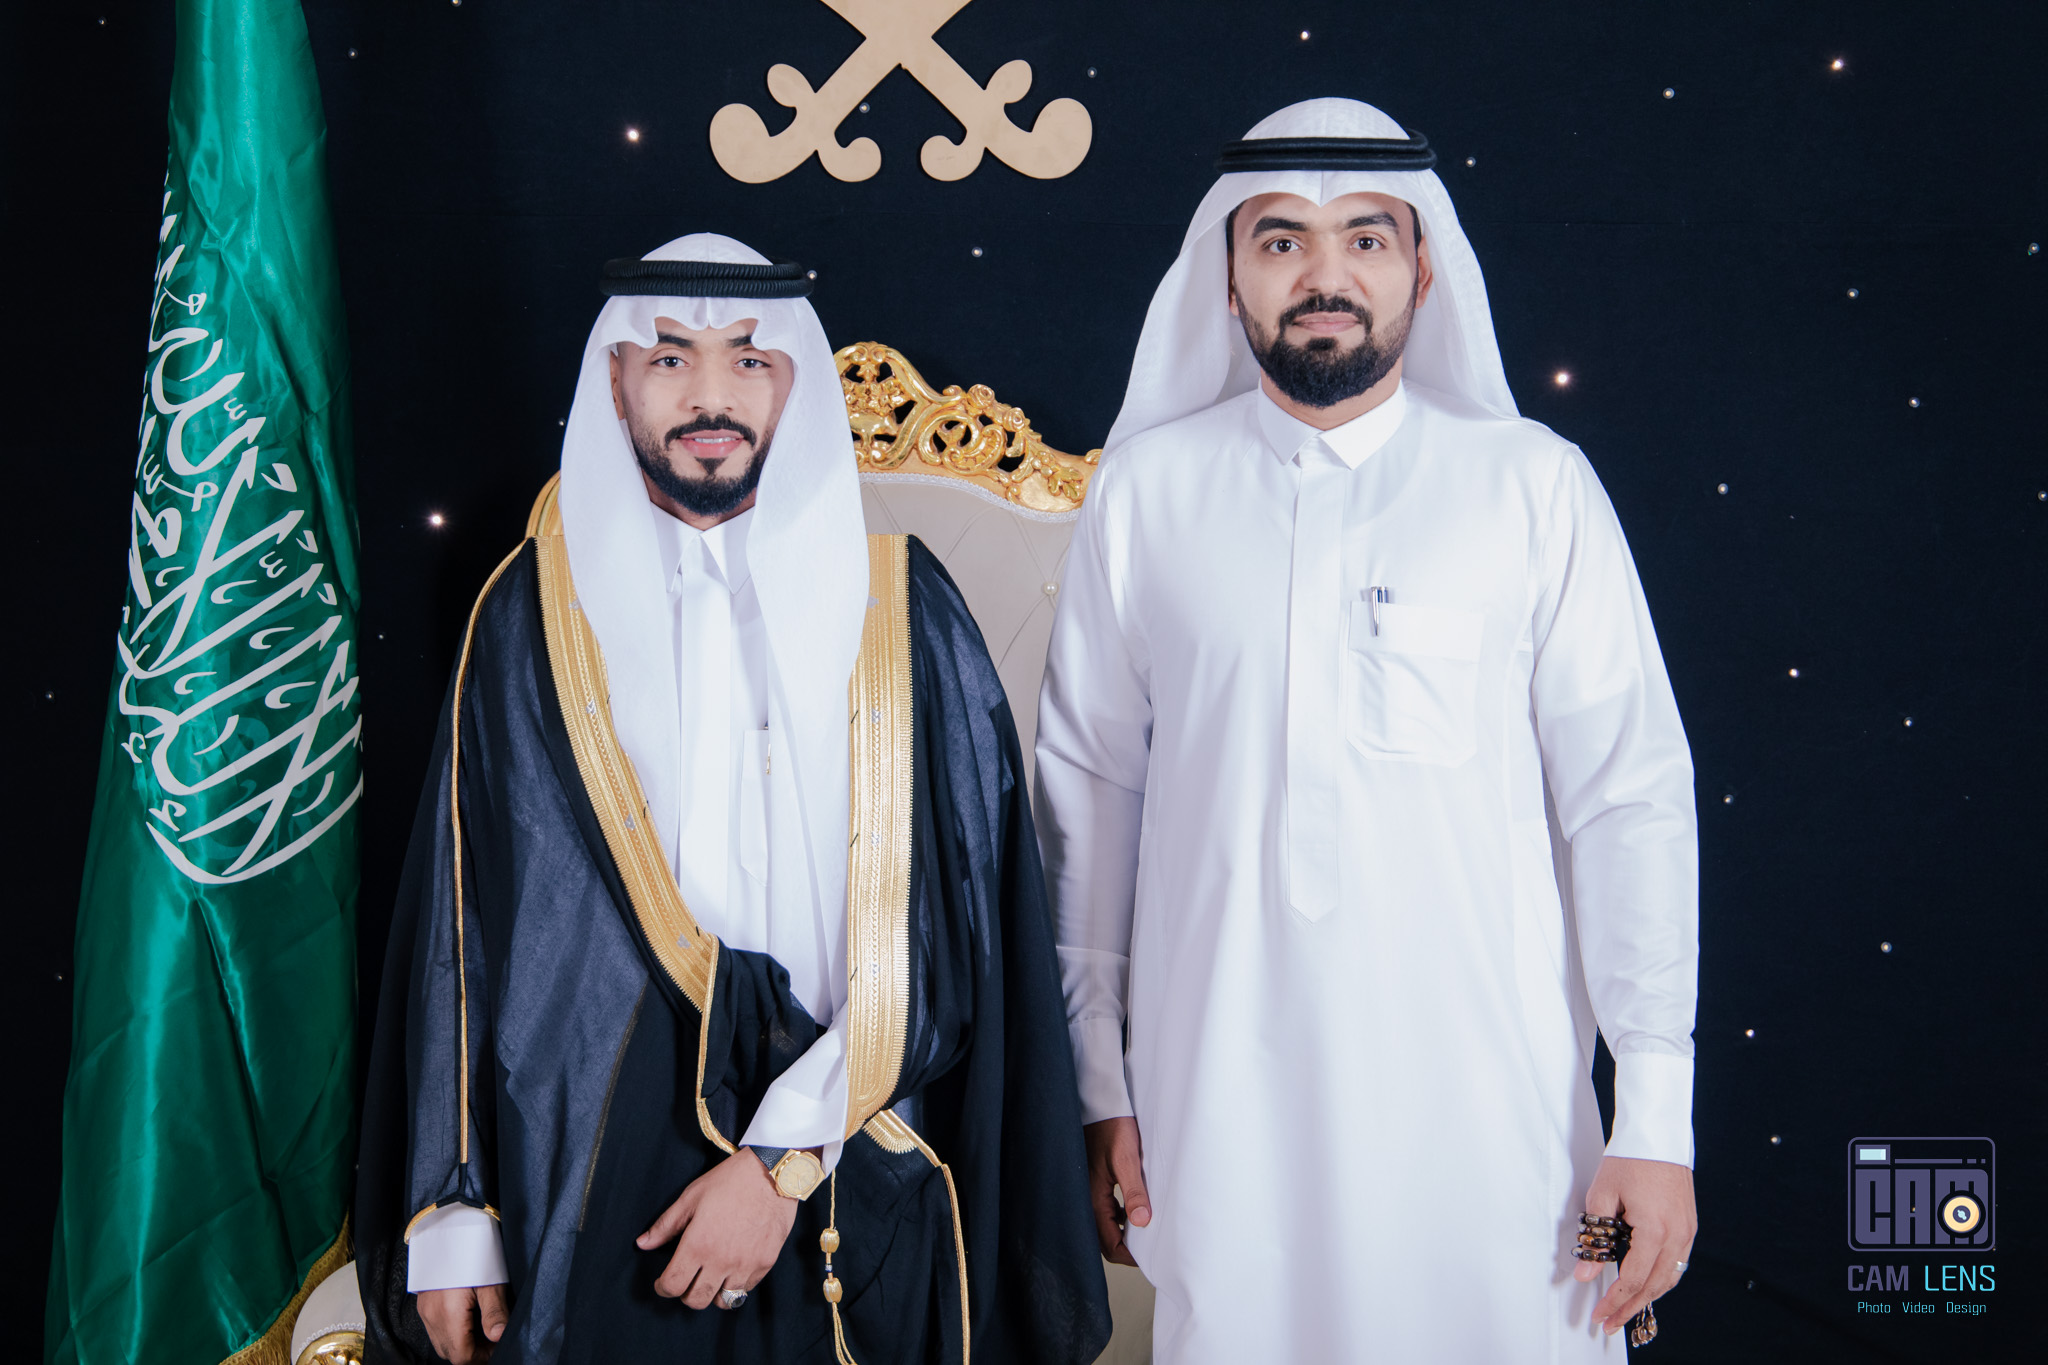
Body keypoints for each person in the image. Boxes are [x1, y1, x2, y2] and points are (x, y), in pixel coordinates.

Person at [355, 234, 1110, 1365]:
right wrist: (455, 1208)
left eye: (749, 360)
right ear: (615, 382)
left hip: (857, 1157)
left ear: (792, 382)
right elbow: (461, 923)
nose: (711, 396)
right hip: (595, 1169)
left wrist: (778, 1163)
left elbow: (957, 930)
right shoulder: (532, 614)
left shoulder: (901, 611)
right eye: (670, 358)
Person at [1035, 99, 1699, 1362]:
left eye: (1366, 239)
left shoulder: (1531, 486)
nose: (1324, 275)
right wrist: (1094, 1088)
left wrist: (1652, 1115)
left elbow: (1628, 803)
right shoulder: (1146, 494)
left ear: (1422, 271)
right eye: (1281, 240)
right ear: (1226, 278)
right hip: (1215, 1116)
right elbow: (1085, 801)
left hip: (1498, 1124)